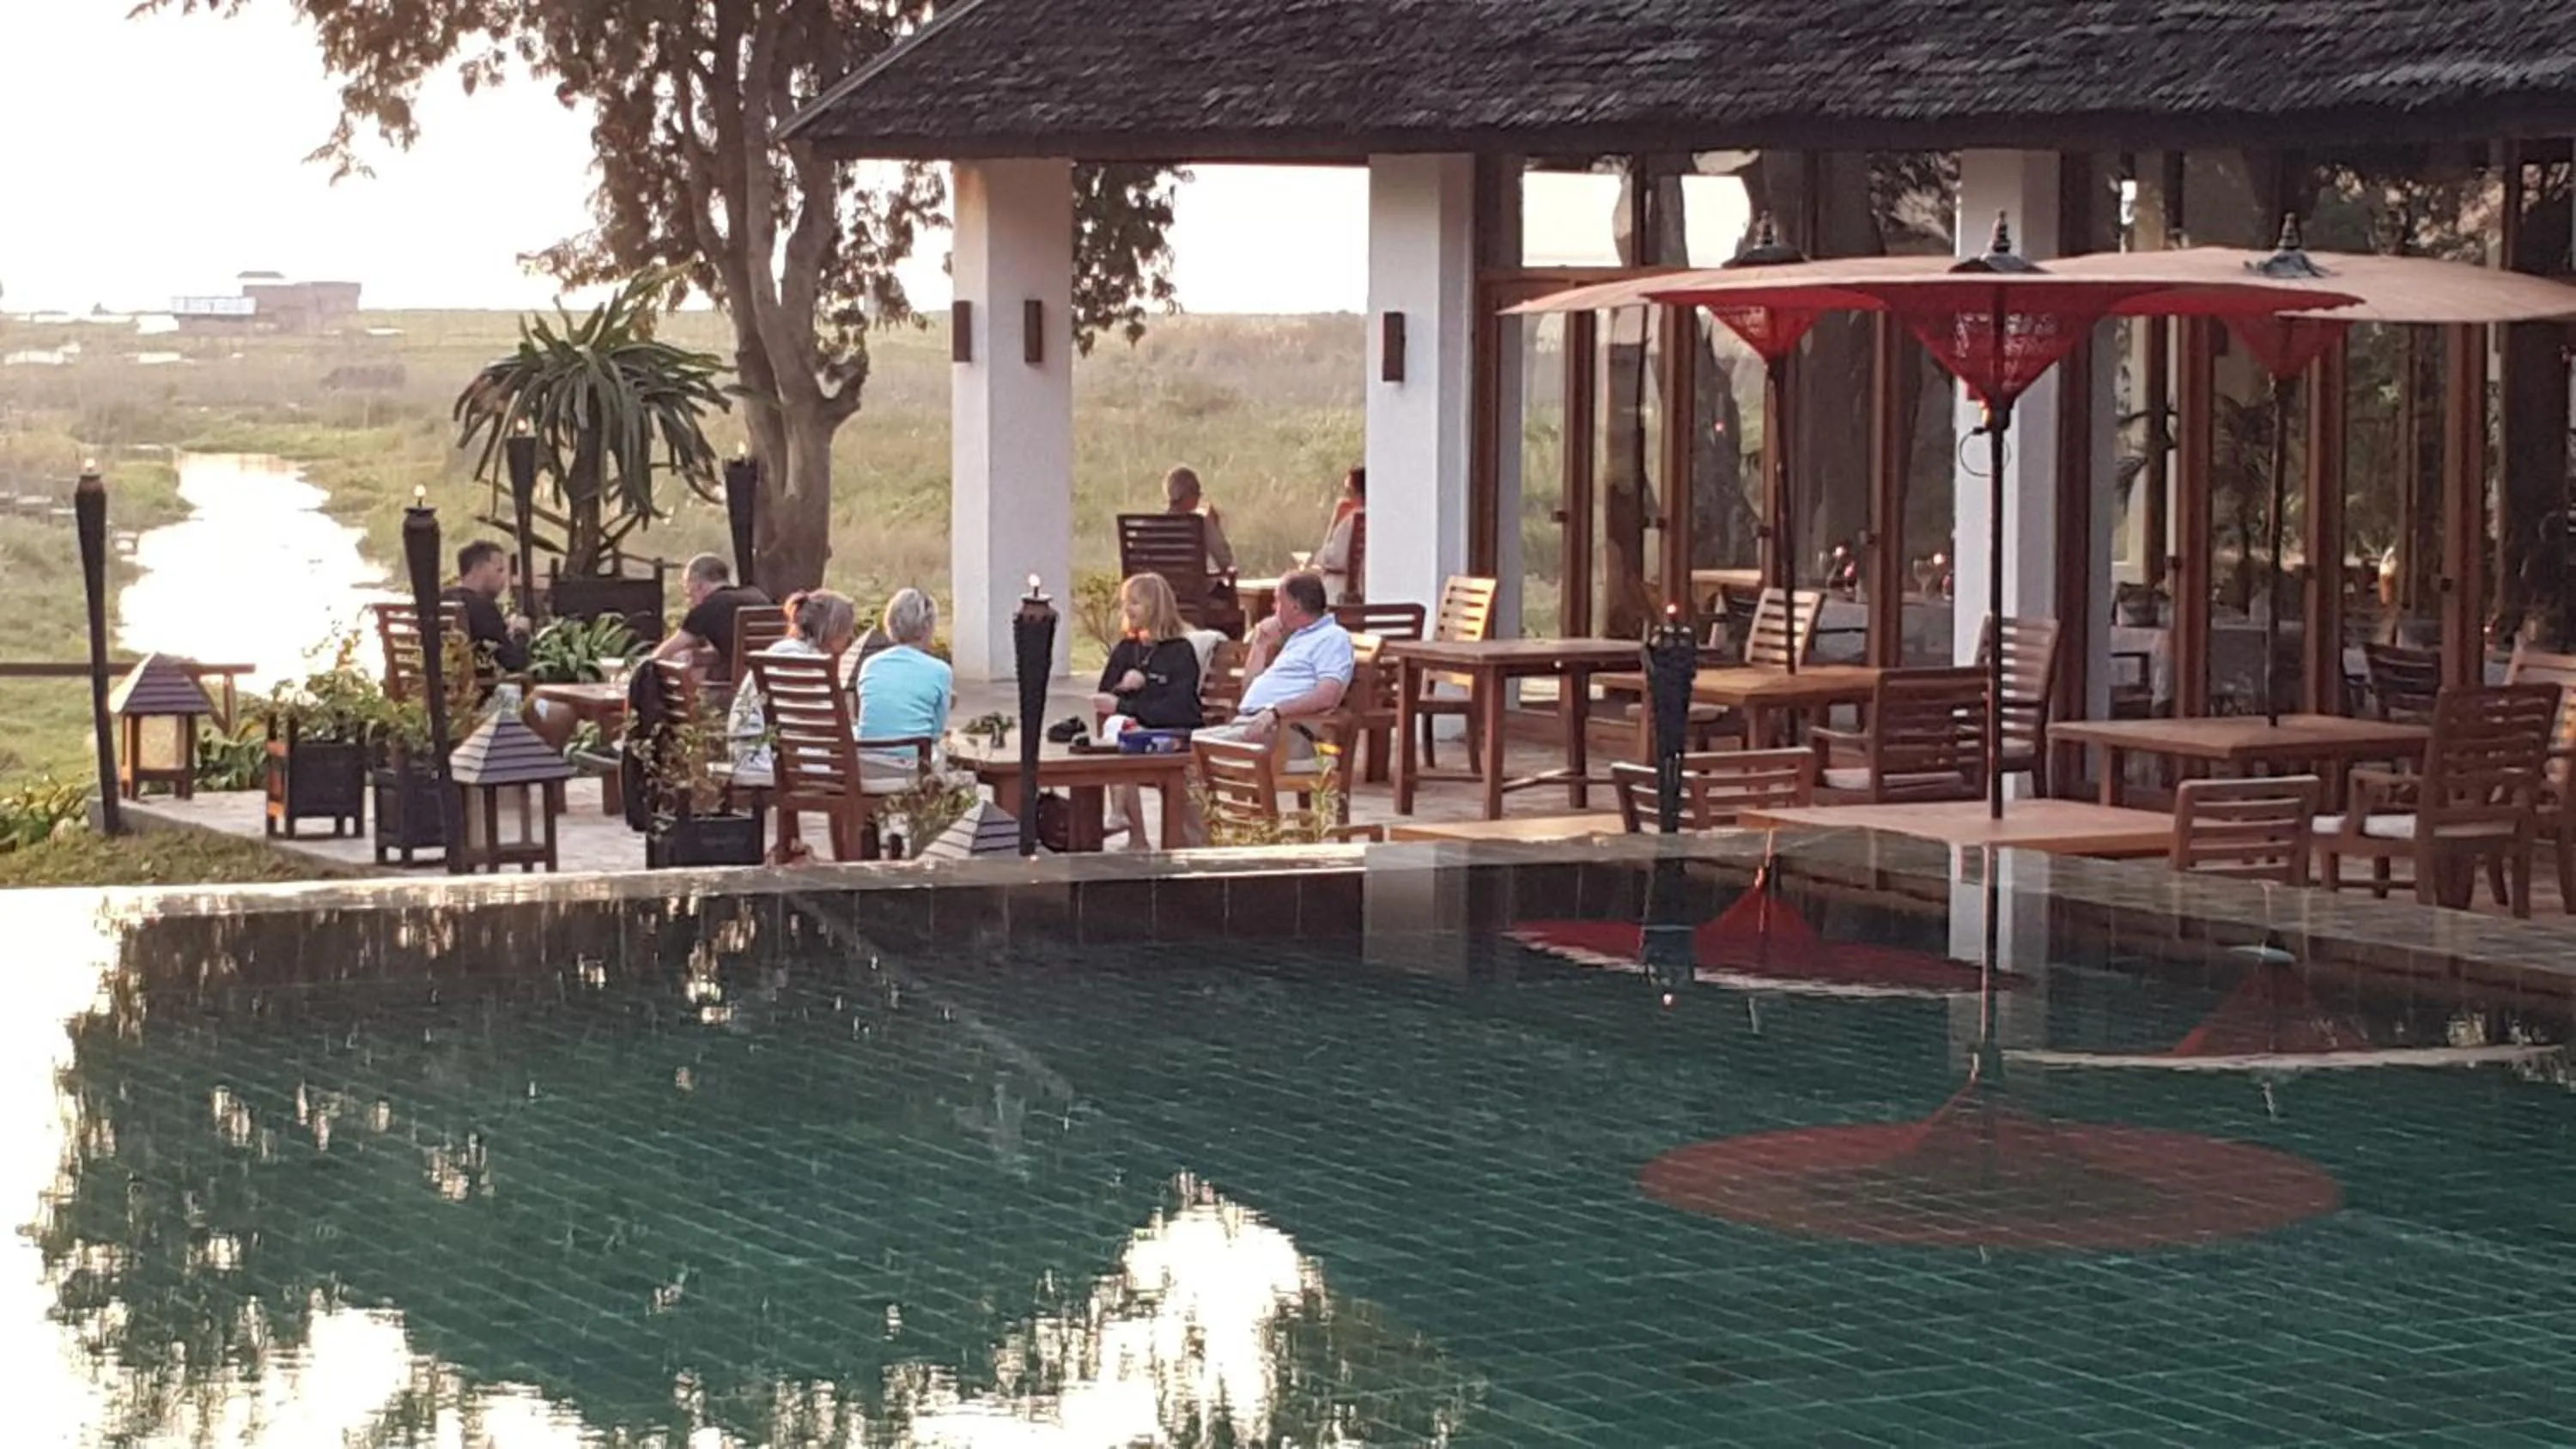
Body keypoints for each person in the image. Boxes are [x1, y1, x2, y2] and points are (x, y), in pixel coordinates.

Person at [1091, 573, 1205, 847]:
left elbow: (1177, 709)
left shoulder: (1179, 651)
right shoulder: (1126, 649)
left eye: (1136, 603)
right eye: (1125, 602)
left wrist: (1134, 697)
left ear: (1156, 607)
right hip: (1134, 735)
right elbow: (1106, 693)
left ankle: (1128, 823)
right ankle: (1136, 836)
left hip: (1175, 734)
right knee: (1118, 734)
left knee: (1119, 735)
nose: (1128, 609)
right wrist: (1123, 688)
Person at [1200, 571, 1352, 767]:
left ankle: (1204, 797)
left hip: (1283, 733)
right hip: (1255, 724)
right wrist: (1260, 645)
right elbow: (1248, 691)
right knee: (1186, 746)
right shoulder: (1299, 638)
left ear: (1295, 607)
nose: (1273, 608)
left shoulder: (1332, 637)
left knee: (1189, 752)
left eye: (1278, 601)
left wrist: (1274, 712)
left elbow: (1327, 695)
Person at [726, 589, 859, 782]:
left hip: (754, 752)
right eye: (848, 628)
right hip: (767, 760)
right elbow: (826, 722)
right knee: (857, 769)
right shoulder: (799, 660)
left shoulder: (783, 652)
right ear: (834, 629)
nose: (851, 635)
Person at [854, 589, 955, 780]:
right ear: (928, 626)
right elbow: (936, 733)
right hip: (910, 767)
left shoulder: (870, 665)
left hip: (866, 764)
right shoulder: (940, 671)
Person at [653, 554, 772, 676]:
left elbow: (665, 652)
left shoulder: (710, 606)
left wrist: (643, 668)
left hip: (732, 687)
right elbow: (732, 651)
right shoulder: (758, 596)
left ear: (696, 582)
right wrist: (699, 656)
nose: (687, 597)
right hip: (768, 679)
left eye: (686, 586)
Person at [446, 540, 531, 677]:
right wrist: (521, 632)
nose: (504, 578)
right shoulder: (482, 607)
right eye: (499, 570)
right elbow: (514, 663)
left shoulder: (440, 600)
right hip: (478, 693)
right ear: (479, 569)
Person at [1165, 465, 1236, 578]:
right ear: (1189, 495)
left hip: (1160, 591)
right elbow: (1225, 560)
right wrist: (1215, 526)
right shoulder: (1200, 524)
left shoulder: (1148, 527)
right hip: (1195, 592)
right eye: (1198, 493)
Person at [1314, 466, 1365, 604]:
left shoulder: (1354, 520)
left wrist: (1336, 521)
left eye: (1349, 492)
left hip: (1340, 594)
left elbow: (1335, 558)